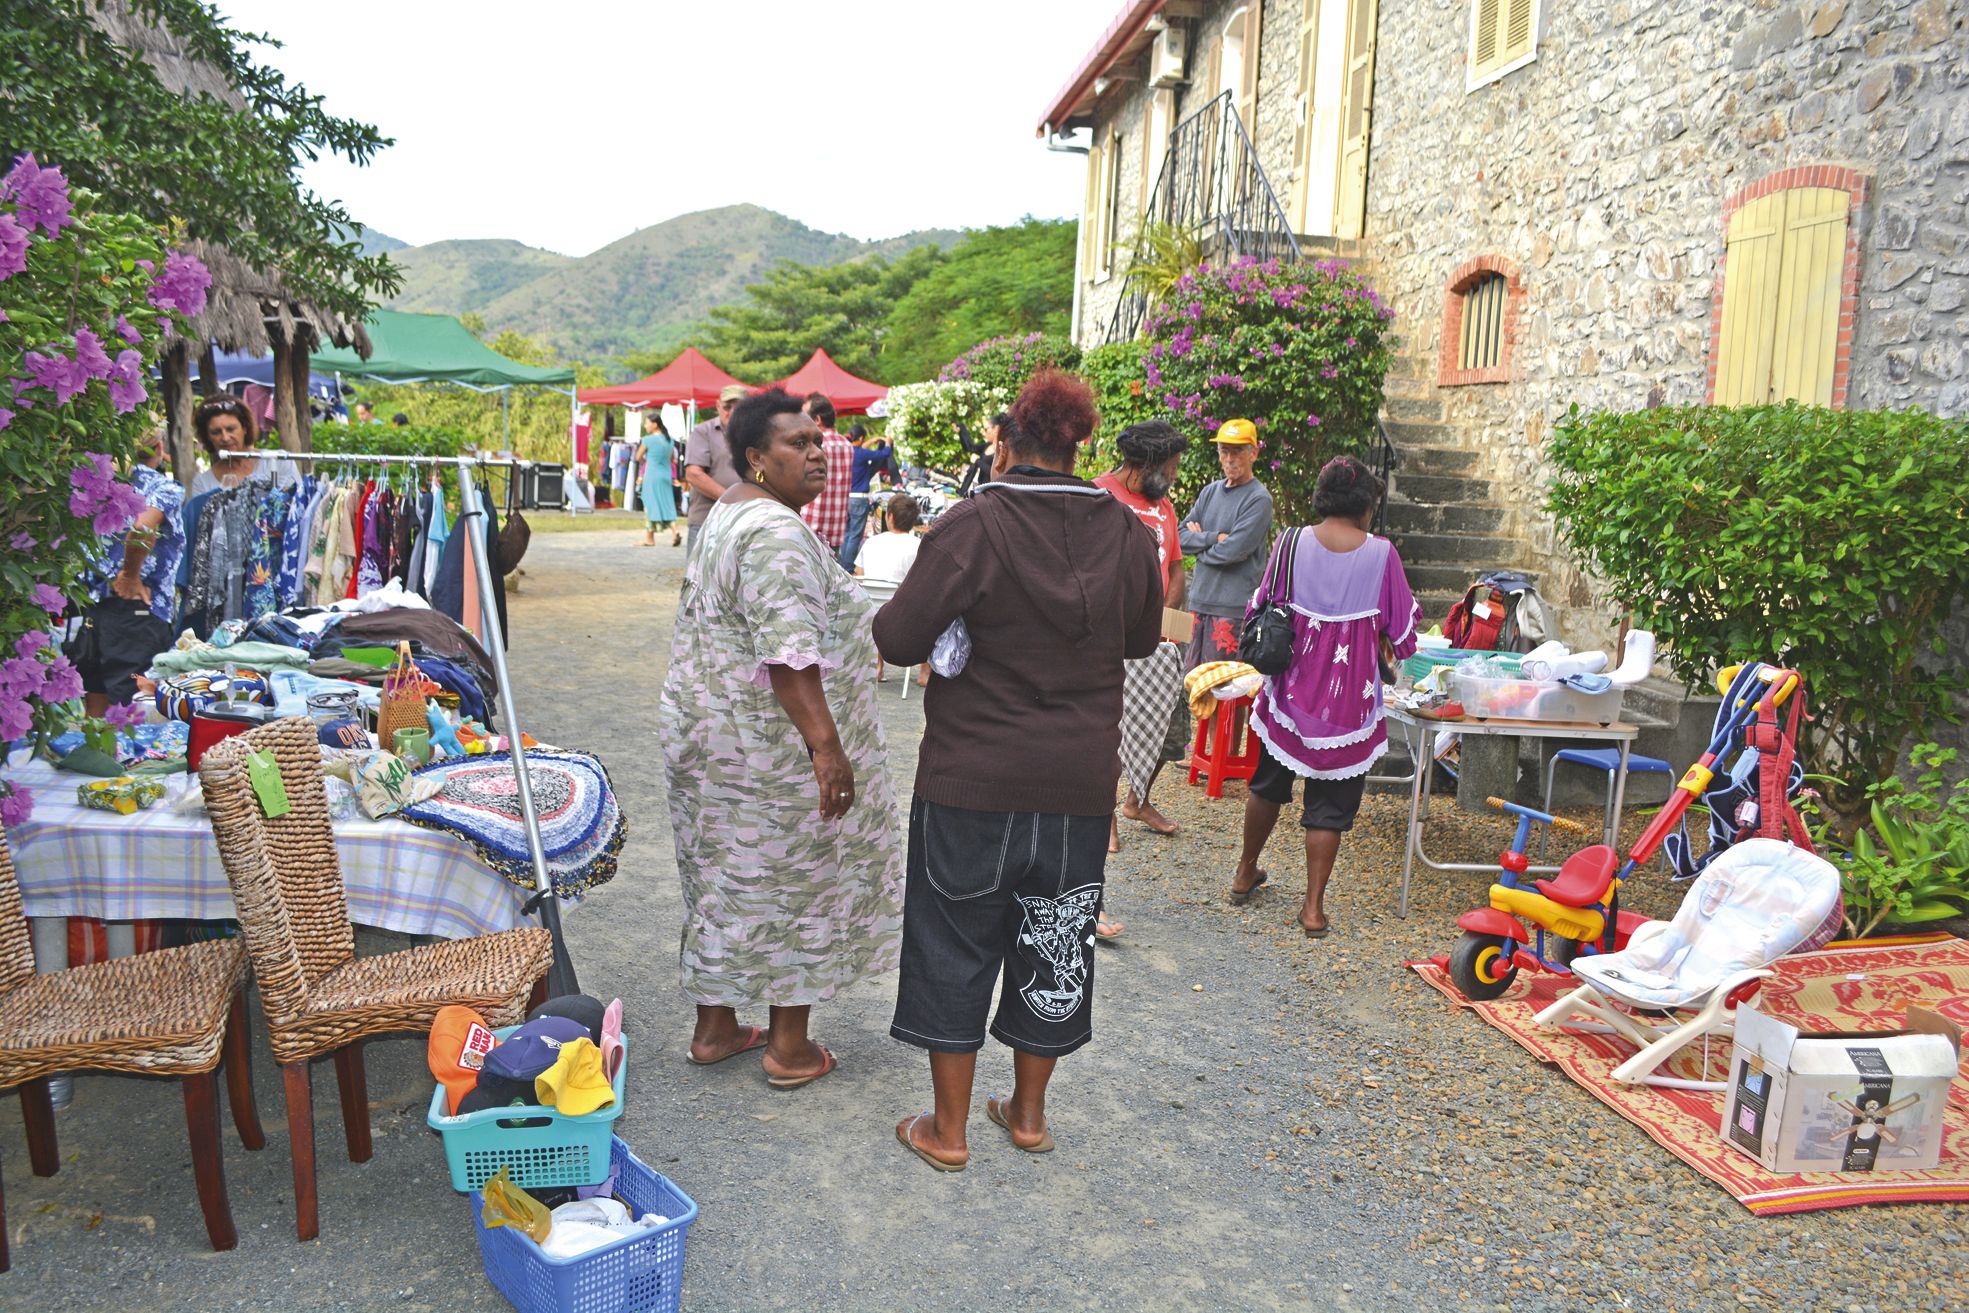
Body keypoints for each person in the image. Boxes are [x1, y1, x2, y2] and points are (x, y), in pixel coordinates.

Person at [874, 369, 1163, 1172]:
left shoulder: (971, 525)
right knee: (1056, 936)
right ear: (1081, 446)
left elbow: (897, 638)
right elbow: (1141, 638)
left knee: (952, 938)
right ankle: (1028, 1114)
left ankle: (948, 1130)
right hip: (1076, 782)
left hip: (972, 776)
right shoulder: (1125, 531)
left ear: (1004, 442)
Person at [660, 387, 903, 1088]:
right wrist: (827, 748)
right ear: (756, 457)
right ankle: (789, 1048)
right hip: (766, 748)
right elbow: (790, 655)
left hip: (711, 734)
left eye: (817, 440)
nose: (817, 452)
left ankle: (715, 1028)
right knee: (796, 881)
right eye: (797, 443)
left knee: (722, 877)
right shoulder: (775, 532)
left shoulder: (731, 512)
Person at [1228, 456, 1420, 937]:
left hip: (1289, 695)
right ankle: (1312, 909)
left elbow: (1259, 605)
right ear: (1365, 505)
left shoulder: (1291, 542)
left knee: (1267, 783)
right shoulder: (1382, 555)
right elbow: (1403, 636)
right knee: (1330, 806)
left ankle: (1245, 871)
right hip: (1348, 707)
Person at [1094, 421, 1192, 937]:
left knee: (1163, 730)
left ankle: (1136, 800)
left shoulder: (1165, 507)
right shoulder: (1099, 496)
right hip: (1108, 641)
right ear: (1145, 465)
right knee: (1106, 730)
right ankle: (1105, 812)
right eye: (1169, 469)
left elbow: (1175, 569)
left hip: (1154, 641)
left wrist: (1162, 617)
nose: (1173, 478)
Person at [77, 427, 183, 716]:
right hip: (136, 617)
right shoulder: (164, 488)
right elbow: (143, 526)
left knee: (95, 711)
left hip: (93, 611)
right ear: (159, 448)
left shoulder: (97, 485)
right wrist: (130, 575)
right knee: (133, 712)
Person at [1178, 418, 1274, 669]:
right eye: (1224, 451)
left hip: (1232, 610)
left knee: (1223, 687)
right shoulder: (1209, 492)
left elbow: (1233, 551)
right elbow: (1180, 537)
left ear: (1254, 454)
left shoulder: (1259, 499)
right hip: (1198, 602)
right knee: (1192, 682)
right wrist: (1213, 538)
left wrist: (1200, 549)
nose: (1229, 459)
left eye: (1237, 451)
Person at [854, 491, 924, 684]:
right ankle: (925, 672)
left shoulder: (871, 542)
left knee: (877, 604)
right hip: (904, 615)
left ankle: (877, 666)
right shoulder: (919, 545)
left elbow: (859, 576)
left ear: (890, 516)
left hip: (871, 612)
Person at [682, 384, 747, 565]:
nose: (732, 412)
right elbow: (694, 474)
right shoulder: (703, 432)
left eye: (739, 407)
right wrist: (731, 500)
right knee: (698, 576)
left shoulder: (757, 434)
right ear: (718, 406)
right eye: (727, 407)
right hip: (707, 520)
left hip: (744, 522)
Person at [187, 395, 296, 495]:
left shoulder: (279, 461)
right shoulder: (202, 484)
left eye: (231, 429)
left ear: (245, 428)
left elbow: (296, 504)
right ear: (207, 437)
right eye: (216, 432)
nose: (225, 438)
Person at [797, 392, 853, 565]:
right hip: (836, 530)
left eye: (804, 416)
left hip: (811, 528)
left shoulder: (815, 446)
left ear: (817, 420)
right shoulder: (847, 445)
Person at [842, 422, 894, 571]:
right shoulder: (861, 453)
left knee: (847, 533)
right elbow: (884, 454)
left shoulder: (847, 452)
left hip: (846, 498)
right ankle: (847, 568)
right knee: (855, 535)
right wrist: (888, 443)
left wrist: (872, 441)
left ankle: (841, 565)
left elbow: (860, 447)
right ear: (861, 438)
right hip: (859, 498)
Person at [638, 412, 682, 547]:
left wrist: (647, 460)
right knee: (666, 503)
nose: (645, 426)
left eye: (647, 423)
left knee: (650, 504)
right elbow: (671, 458)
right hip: (666, 475)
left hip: (652, 475)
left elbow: (637, 457)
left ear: (655, 424)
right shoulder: (670, 440)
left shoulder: (647, 440)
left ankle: (649, 539)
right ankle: (674, 530)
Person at [955, 413, 1006, 498]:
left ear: (996, 429)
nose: (984, 432)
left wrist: (977, 461)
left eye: (986, 429)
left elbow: (996, 474)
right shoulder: (987, 446)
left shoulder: (1002, 450)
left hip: (992, 495)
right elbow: (970, 447)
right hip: (981, 492)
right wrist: (961, 430)